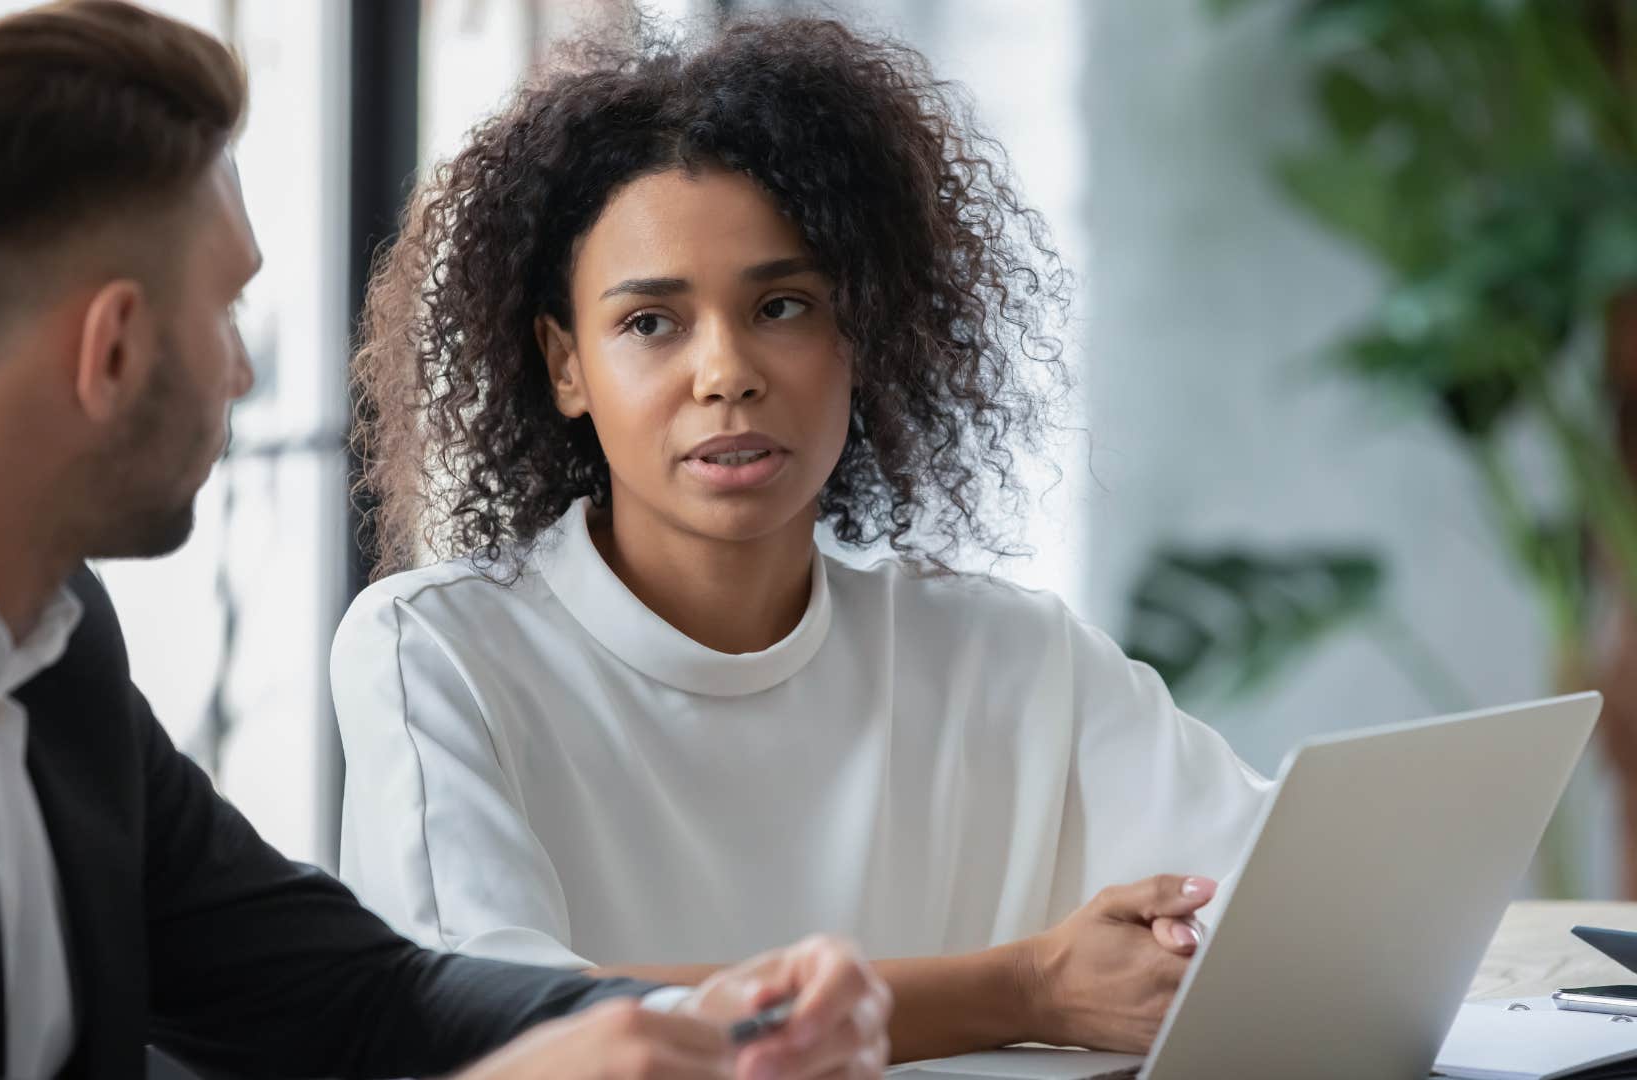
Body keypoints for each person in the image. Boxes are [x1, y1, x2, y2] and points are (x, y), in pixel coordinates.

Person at [0, 3, 892, 1078]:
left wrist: (716, 1027)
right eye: (227, 309)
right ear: (113, 349)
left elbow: (354, 997)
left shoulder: (43, 638)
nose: (241, 367)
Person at [334, 13, 1273, 1064]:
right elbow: (502, 1011)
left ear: (859, 334)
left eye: (782, 306)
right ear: (565, 366)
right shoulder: (438, 652)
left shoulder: (1007, 657)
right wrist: (1027, 989)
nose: (726, 371)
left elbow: (1283, 895)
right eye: (652, 322)